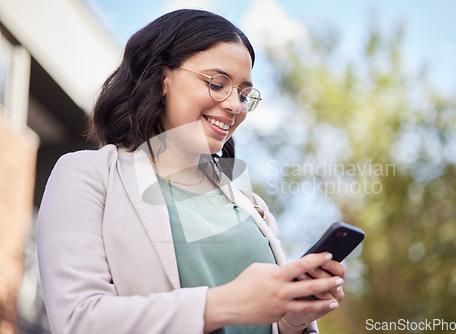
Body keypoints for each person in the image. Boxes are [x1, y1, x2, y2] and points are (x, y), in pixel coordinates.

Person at [37, 9, 345, 334]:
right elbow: (79, 320)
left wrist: (289, 322)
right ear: (162, 78)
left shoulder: (250, 206)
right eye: (217, 83)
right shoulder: (88, 176)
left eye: (243, 94)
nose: (235, 106)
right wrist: (225, 304)